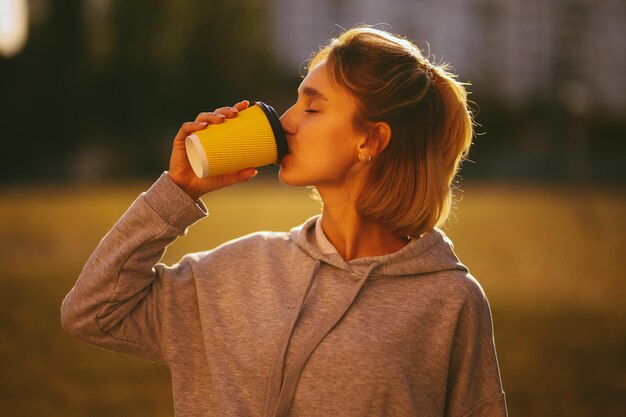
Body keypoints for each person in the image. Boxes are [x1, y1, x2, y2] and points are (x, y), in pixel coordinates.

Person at [61, 27, 507, 417]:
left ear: (370, 140)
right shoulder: (237, 271)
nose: (285, 121)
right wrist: (177, 193)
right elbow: (92, 312)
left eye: (311, 109)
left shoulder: (450, 302)